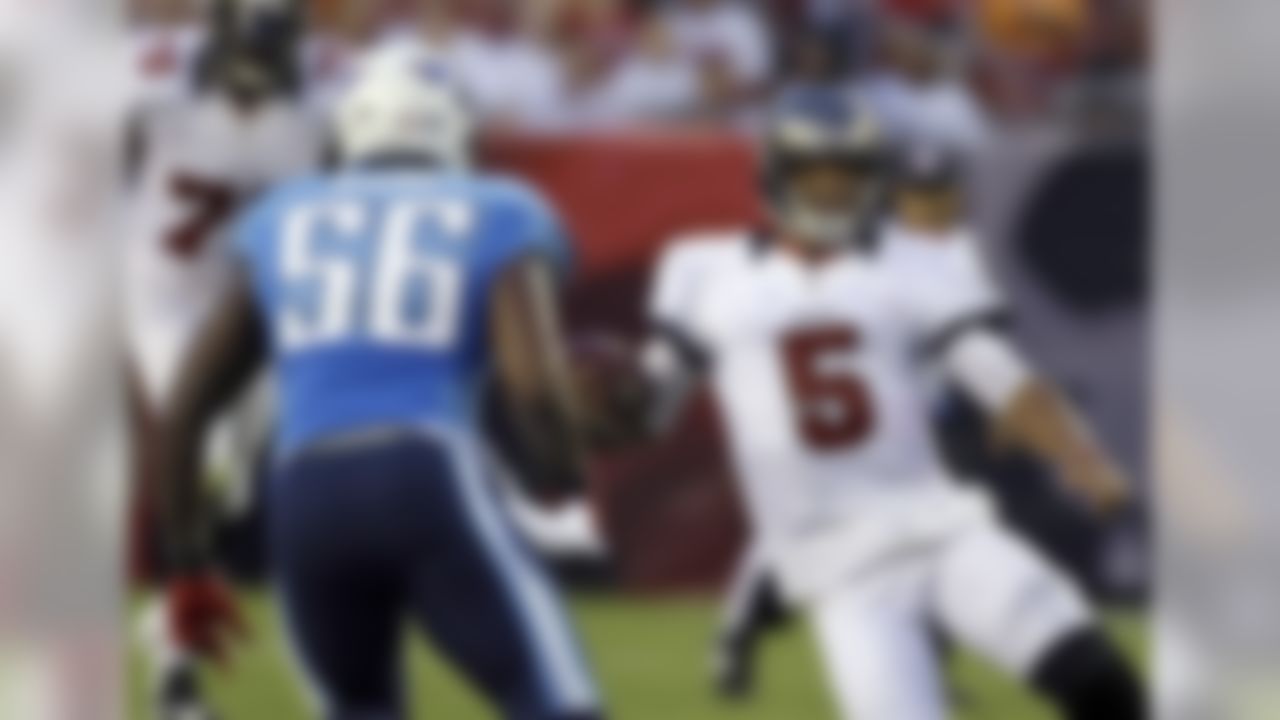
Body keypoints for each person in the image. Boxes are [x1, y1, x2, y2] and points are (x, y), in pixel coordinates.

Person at [616, 90, 1145, 719]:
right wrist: (594, 402)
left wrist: (1078, 454)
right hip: (842, 571)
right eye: (819, 178)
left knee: (1104, 686)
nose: (835, 195)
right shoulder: (706, 270)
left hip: (941, 530)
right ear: (778, 176)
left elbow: (1000, 376)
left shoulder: (916, 262)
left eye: (850, 179)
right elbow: (647, 409)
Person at [154, 44, 604, 720]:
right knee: (557, 705)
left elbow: (184, 410)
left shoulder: (283, 215)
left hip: (304, 488)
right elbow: (533, 389)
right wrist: (563, 477)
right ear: (453, 127)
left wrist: (187, 565)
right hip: (423, 470)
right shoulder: (501, 208)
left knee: (359, 706)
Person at [124, 1, 324, 717]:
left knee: (231, 491)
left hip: (258, 314)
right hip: (167, 306)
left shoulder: (312, 124)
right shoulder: (154, 100)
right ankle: (178, 674)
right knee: (198, 456)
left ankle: (175, 624)